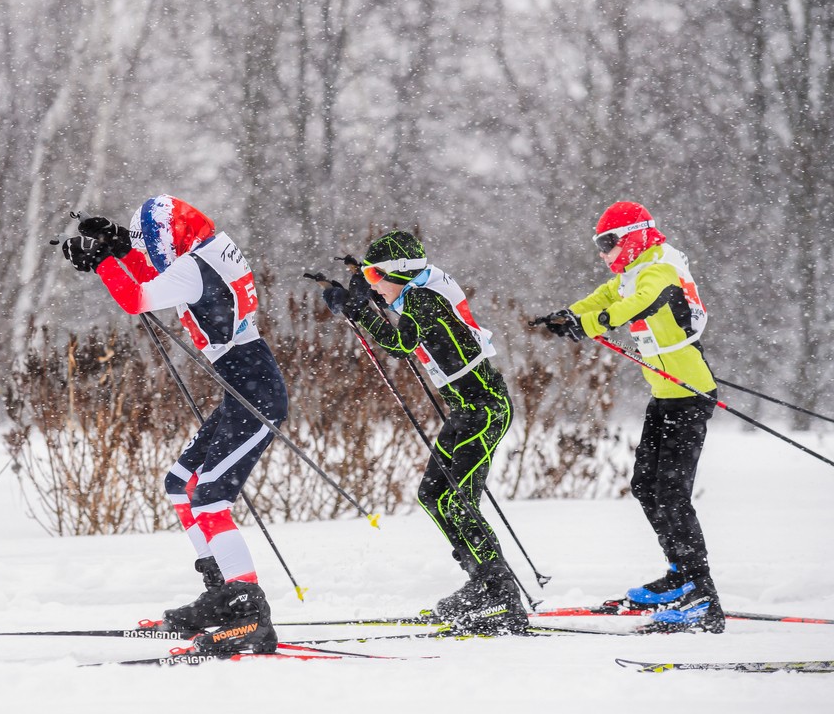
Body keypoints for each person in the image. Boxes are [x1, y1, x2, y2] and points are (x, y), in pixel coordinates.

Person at [60, 194, 288, 653]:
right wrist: (121, 248)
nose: (151, 249)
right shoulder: (205, 252)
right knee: (180, 484)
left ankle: (250, 613)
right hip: (242, 388)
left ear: (169, 236)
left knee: (209, 500)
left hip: (256, 395)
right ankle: (222, 594)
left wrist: (105, 260)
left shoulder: (194, 267)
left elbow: (139, 298)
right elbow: (160, 282)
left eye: (151, 241)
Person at [321, 229, 528, 635]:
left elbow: (402, 344)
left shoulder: (423, 298)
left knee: (457, 503)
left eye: (376, 275)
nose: (372, 282)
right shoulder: (415, 289)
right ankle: (481, 581)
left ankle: (502, 596)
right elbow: (397, 310)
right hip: (465, 410)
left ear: (399, 273)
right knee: (433, 495)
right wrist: (364, 287)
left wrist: (358, 310)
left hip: (484, 410)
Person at [539, 200, 724, 634]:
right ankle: (680, 575)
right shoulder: (633, 270)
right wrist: (572, 315)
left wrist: (593, 324)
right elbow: (608, 295)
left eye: (609, 243)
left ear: (636, 235)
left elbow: (639, 303)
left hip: (688, 396)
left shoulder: (660, 266)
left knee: (672, 495)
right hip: (664, 397)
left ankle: (703, 596)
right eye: (599, 245)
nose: (604, 253)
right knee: (646, 487)